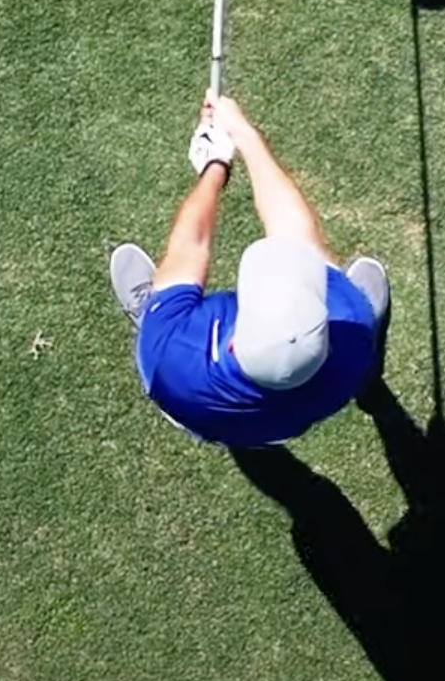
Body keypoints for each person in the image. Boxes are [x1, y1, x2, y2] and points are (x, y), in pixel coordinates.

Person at [109, 95, 390, 448]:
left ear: (232, 342)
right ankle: (367, 379)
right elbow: (297, 234)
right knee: (359, 310)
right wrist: (244, 134)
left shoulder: (172, 355)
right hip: (287, 422)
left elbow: (190, 246)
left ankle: (159, 309)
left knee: (165, 314)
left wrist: (215, 165)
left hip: (189, 401)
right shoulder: (349, 333)